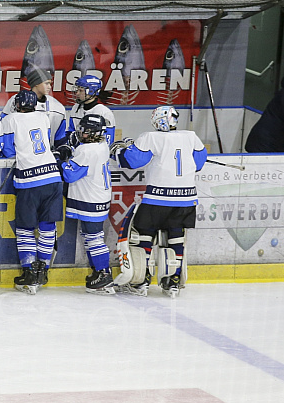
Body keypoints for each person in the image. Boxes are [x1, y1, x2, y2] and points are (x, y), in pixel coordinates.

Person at [112, 106, 207, 297]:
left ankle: (141, 281)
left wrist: (118, 150)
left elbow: (131, 161)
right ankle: (172, 281)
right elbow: (199, 164)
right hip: (186, 199)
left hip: (157, 198)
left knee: (144, 234)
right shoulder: (191, 137)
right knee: (176, 235)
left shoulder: (150, 137)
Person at [0, 90, 64, 295]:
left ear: (17, 105)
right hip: (52, 176)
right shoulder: (44, 116)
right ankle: (43, 269)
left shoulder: (11, 119)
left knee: (25, 228)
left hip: (29, 180)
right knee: (47, 226)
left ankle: (29, 270)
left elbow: (7, 150)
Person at [59, 115, 114, 294]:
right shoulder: (102, 146)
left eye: (84, 130)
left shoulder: (87, 151)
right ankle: (98, 272)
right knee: (91, 237)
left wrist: (61, 160)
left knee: (94, 238)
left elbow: (70, 175)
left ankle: (103, 274)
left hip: (91, 199)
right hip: (99, 197)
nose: (80, 132)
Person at [1, 67, 66, 148]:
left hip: (47, 154)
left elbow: (60, 137)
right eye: (46, 83)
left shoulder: (57, 107)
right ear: (36, 83)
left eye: (50, 83)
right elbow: (3, 126)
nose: (49, 87)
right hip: (20, 153)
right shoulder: (16, 100)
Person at [67, 75, 116, 146]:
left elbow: (107, 141)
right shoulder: (75, 108)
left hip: (94, 154)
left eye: (80, 90)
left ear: (91, 91)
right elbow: (71, 132)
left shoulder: (104, 113)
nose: (77, 93)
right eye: (77, 90)